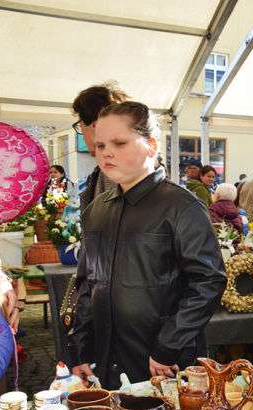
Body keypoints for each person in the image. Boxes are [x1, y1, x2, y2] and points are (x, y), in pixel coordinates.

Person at [69, 101, 227, 390]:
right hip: (107, 359)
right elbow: (87, 284)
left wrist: (169, 344)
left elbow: (209, 281)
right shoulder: (96, 210)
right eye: (101, 144)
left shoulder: (183, 207)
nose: (107, 152)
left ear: (151, 146)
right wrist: (81, 348)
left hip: (164, 361)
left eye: (119, 142)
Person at [71, 81, 130, 210]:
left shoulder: (116, 168)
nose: (83, 136)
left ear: (95, 125)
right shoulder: (119, 163)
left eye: (80, 127)